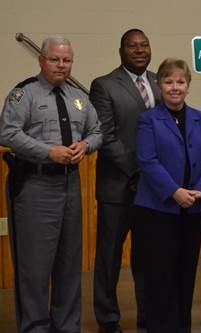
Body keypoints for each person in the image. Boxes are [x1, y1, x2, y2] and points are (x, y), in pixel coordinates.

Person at [0, 37, 102, 332]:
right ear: (41, 61)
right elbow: (7, 134)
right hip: (35, 185)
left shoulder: (77, 97)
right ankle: (34, 327)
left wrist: (86, 145)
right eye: (55, 59)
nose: (61, 65)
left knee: (70, 263)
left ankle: (67, 326)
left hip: (71, 186)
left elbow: (98, 131)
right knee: (34, 267)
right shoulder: (25, 94)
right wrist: (48, 152)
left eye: (67, 60)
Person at [133, 58, 201, 333]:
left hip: (194, 209)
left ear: (188, 86)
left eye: (180, 82)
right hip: (158, 211)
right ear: (160, 85)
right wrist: (175, 192)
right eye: (168, 81)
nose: (174, 87)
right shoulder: (148, 120)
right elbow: (148, 161)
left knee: (186, 274)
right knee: (160, 277)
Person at [90, 28, 161, 333]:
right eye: (132, 46)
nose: (139, 50)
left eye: (144, 45)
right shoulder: (104, 85)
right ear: (121, 50)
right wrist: (137, 171)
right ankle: (108, 320)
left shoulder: (161, 82)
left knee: (148, 258)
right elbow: (106, 136)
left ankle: (148, 318)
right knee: (109, 258)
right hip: (117, 188)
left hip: (153, 191)